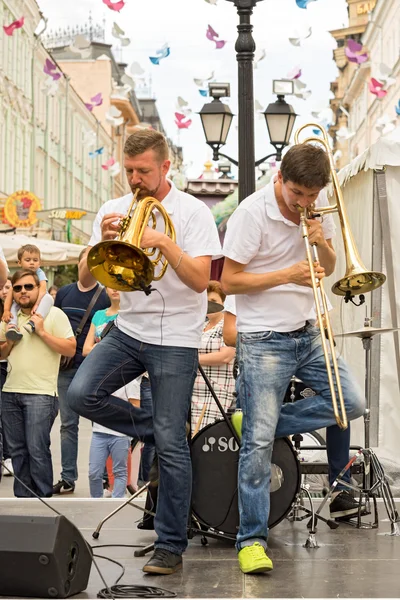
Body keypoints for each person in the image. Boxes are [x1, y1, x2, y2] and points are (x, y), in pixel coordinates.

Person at [67, 128, 221, 575]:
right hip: (128, 329)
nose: (135, 180)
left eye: (144, 172)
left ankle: (170, 544)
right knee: (80, 395)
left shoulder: (193, 213)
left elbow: (200, 281)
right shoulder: (113, 209)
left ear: (165, 167)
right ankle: (155, 431)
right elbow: (99, 277)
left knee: (173, 446)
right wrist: (102, 239)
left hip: (176, 337)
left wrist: (164, 243)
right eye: (130, 170)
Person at [221, 143, 365, 574]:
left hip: (308, 331)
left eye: (312, 195)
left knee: (350, 402)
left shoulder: (317, 212)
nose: (304, 203)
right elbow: (228, 281)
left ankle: (260, 428)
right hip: (264, 338)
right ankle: (251, 540)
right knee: (259, 448)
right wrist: (287, 274)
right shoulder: (251, 214)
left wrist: (321, 244)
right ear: (280, 177)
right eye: (298, 192)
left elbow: (331, 265)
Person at [223, 294, 362, 520]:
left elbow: (326, 328)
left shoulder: (307, 276)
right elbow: (229, 334)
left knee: (341, 405)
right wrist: (270, 343)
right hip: (262, 358)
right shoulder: (246, 278)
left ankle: (340, 489)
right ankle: (259, 429)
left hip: (304, 354)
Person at [0, 269, 75, 497]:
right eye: (18, 288)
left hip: (41, 394)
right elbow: (1, 352)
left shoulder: (54, 314)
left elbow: (71, 348)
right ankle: (23, 502)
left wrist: (41, 332)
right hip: (10, 392)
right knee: (17, 451)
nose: (23, 291)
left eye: (28, 286)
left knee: (37, 450)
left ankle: (43, 500)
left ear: (38, 289)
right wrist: (10, 342)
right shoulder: (9, 318)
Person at [52, 250, 110, 495]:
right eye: (86, 259)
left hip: (93, 367)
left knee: (101, 423)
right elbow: (53, 321)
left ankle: (105, 476)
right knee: (68, 424)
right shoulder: (64, 293)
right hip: (66, 367)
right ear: (79, 263)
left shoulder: (105, 296)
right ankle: (68, 477)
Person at [191, 280, 235, 434]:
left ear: (223, 303)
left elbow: (225, 356)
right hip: (194, 391)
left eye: (214, 301)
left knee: (209, 435)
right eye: (207, 301)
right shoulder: (200, 326)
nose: (210, 304)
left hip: (217, 390)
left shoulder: (227, 326)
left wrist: (192, 360)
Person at [2, 245, 54, 341]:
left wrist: (36, 304)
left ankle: (33, 323)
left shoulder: (39, 273)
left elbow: (42, 289)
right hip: (23, 300)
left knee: (48, 298)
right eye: (28, 260)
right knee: (14, 305)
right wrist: (6, 310)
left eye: (35, 260)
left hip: (40, 299)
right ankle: (12, 326)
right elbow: (11, 293)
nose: (32, 263)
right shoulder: (18, 275)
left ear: (40, 263)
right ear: (19, 262)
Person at [0, 277, 12, 476]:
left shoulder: (14, 312)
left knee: (5, 416)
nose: (4, 290)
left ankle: (8, 457)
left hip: (7, 367)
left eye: (7, 287)